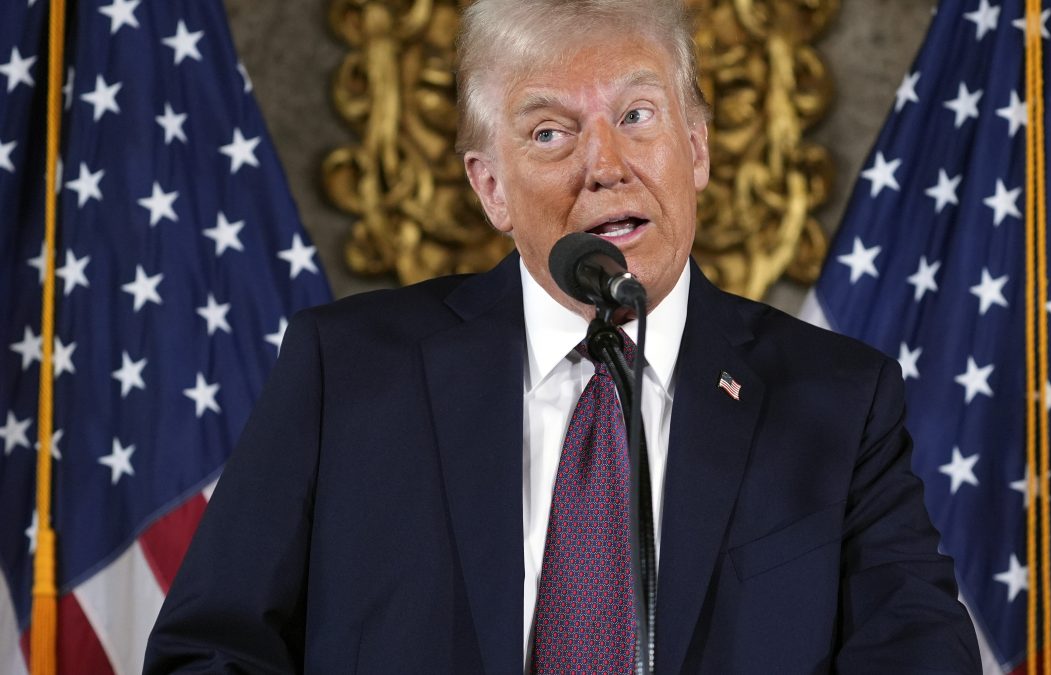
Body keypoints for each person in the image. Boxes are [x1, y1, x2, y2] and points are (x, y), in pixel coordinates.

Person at [145, 0, 982, 672]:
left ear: (696, 148)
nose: (605, 163)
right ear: (492, 188)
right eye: (550, 132)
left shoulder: (837, 399)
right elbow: (209, 650)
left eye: (638, 114)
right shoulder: (347, 371)